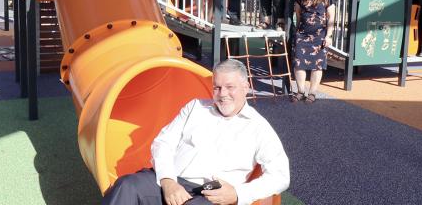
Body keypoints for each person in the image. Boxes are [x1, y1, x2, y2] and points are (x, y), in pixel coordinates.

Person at [102, 60, 290, 205]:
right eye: (217, 87)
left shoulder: (259, 127)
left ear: (245, 87)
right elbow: (163, 142)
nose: (222, 93)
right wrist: (168, 181)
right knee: (127, 186)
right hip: (171, 181)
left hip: (209, 196)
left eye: (230, 87)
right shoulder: (195, 107)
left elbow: (280, 176)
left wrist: (238, 194)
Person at [291, 0, 334, 103]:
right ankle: (300, 91)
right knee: (299, 63)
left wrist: (329, 36)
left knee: (317, 65)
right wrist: (298, 30)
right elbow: (298, 13)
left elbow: (331, 17)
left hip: (319, 35)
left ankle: (312, 93)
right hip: (302, 34)